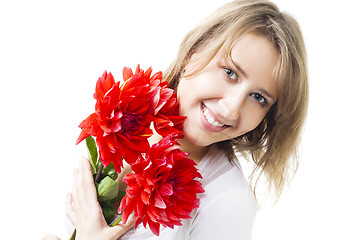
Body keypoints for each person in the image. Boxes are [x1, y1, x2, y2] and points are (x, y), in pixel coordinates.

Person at [43, 0, 308, 239]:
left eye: (259, 97)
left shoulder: (228, 202)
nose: (230, 110)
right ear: (194, 50)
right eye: (229, 73)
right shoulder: (124, 118)